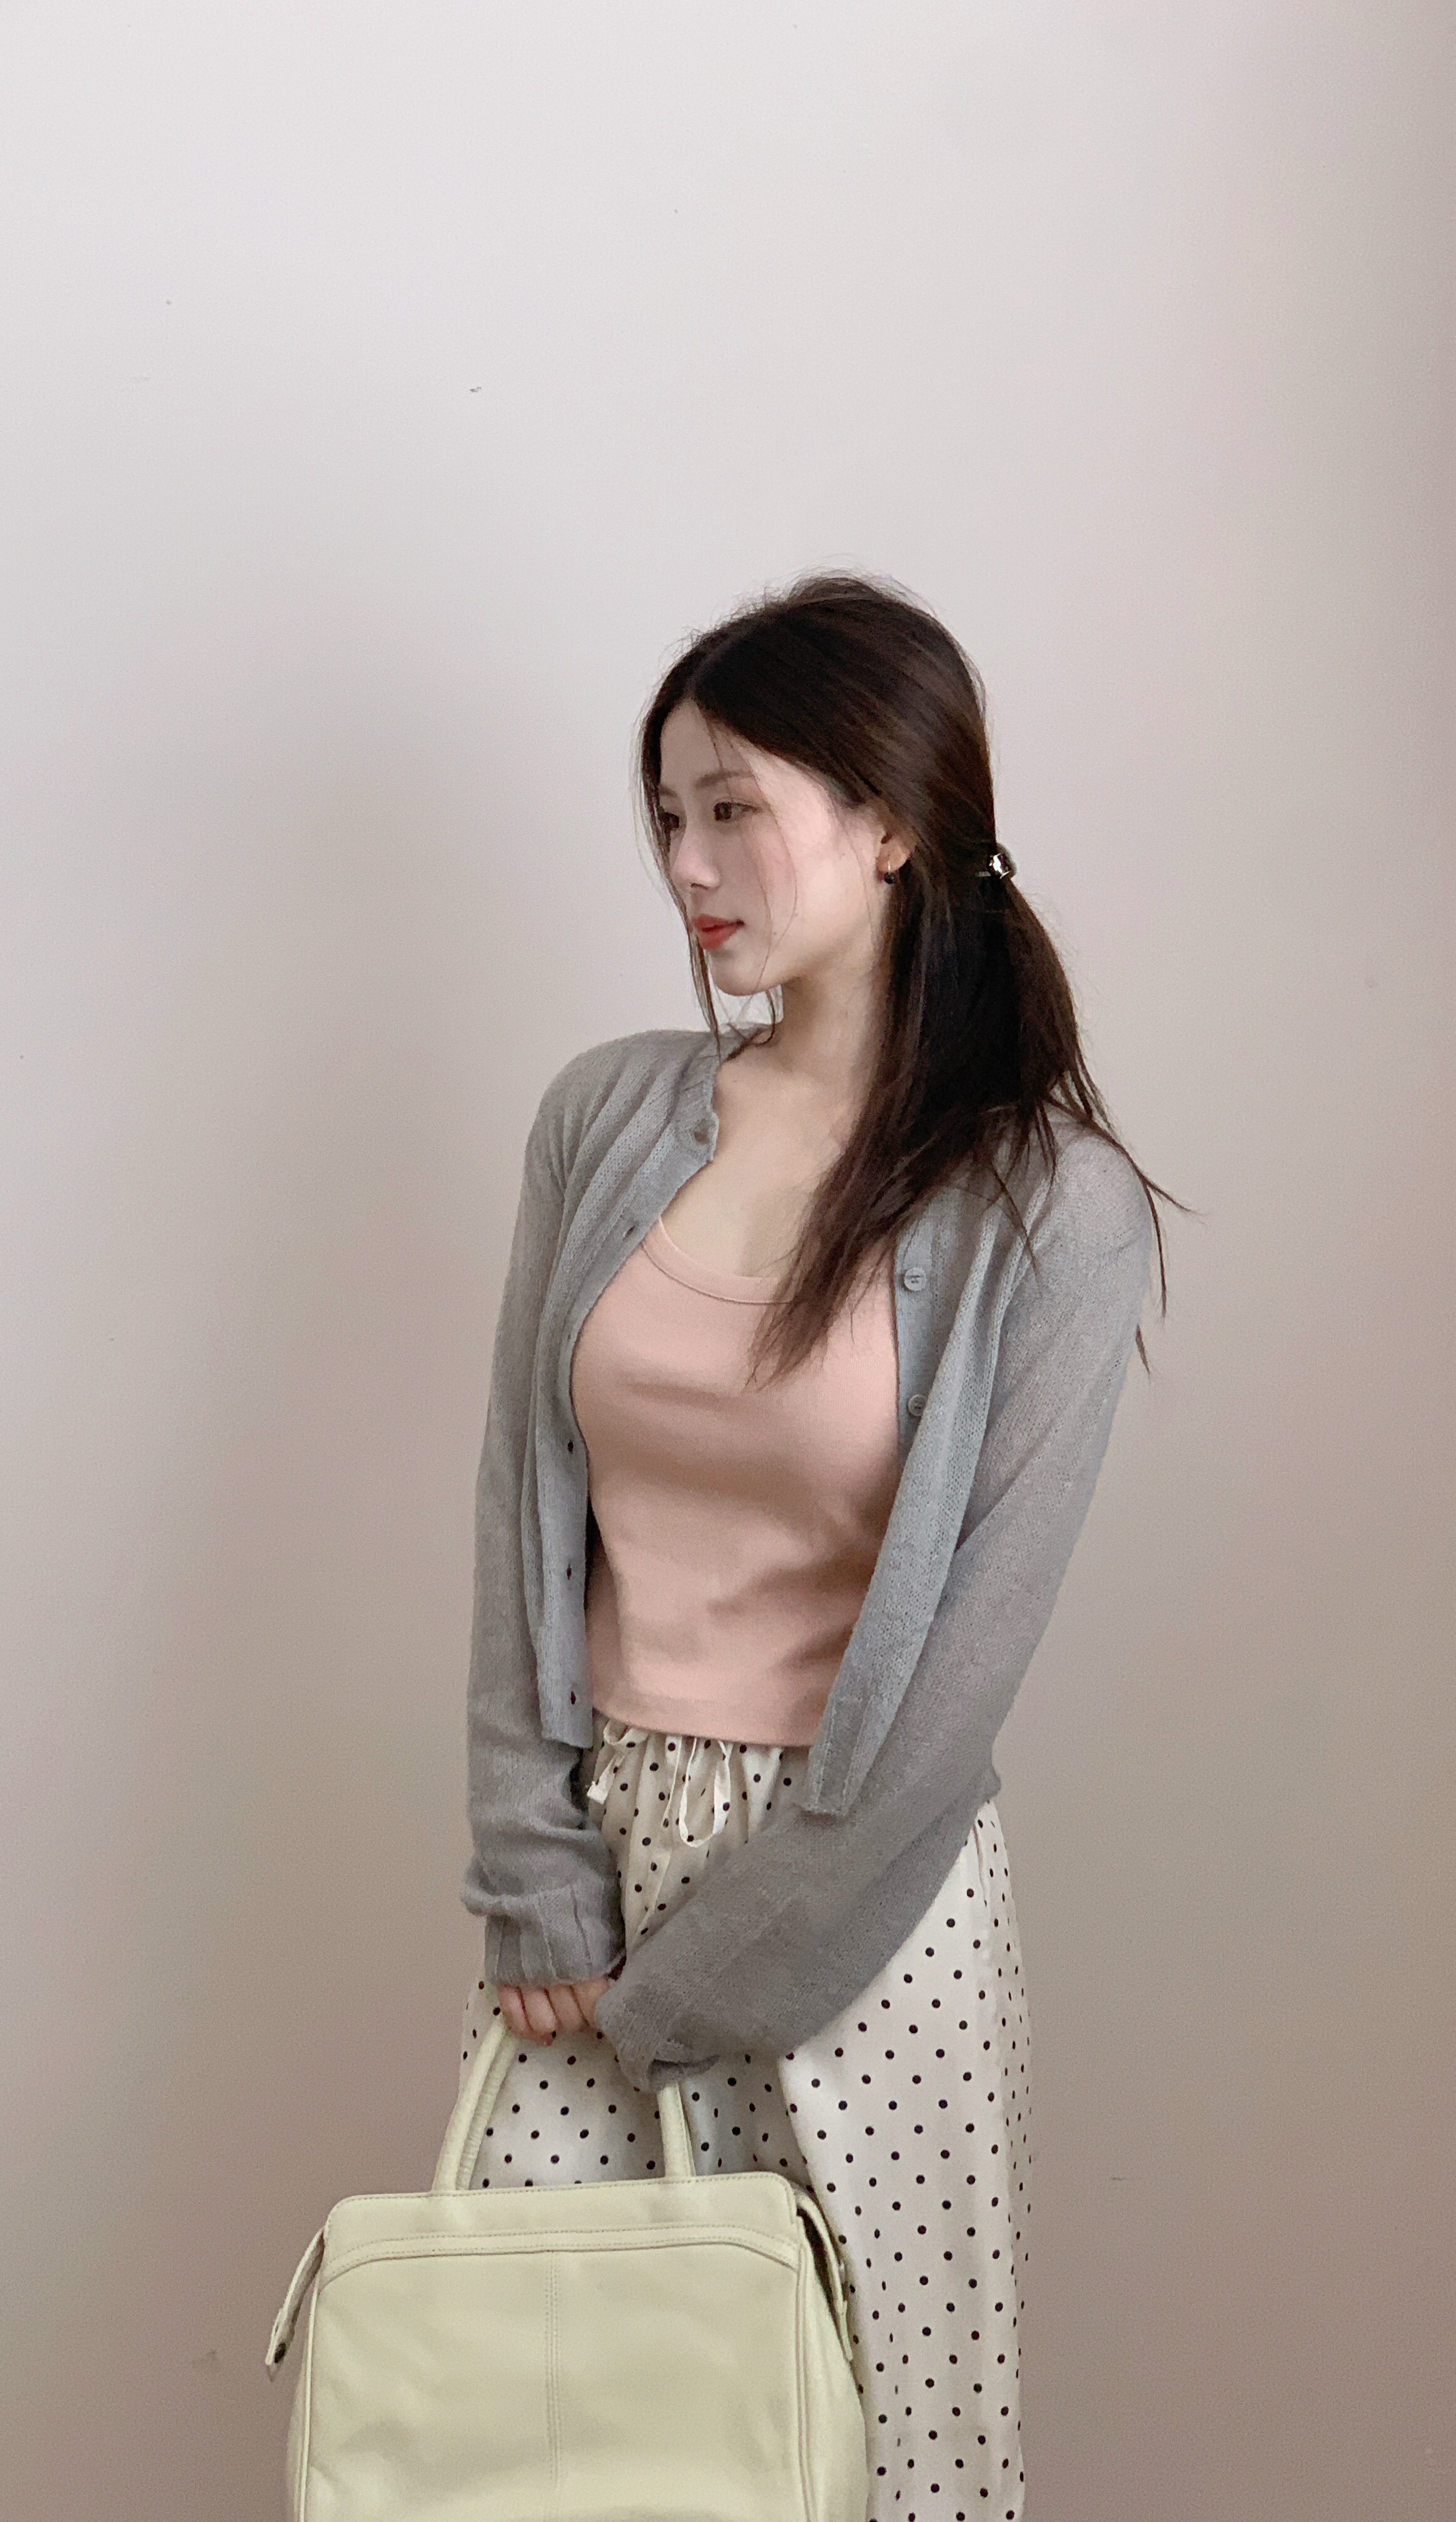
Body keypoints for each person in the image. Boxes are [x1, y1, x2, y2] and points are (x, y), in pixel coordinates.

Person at [455, 572, 1171, 2521]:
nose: (687, 865)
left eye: (733, 810)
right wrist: (536, 1870)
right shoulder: (608, 1117)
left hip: (870, 1917)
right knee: (551, 2456)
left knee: (875, 2460)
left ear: (895, 824)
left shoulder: (1051, 1207)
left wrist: (716, 1975)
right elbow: (521, 1502)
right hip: (590, 1882)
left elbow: (961, 1679)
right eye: (666, 816)